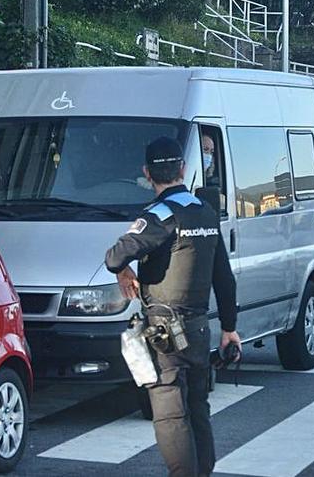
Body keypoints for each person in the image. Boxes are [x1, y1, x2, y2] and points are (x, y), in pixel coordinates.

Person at [105, 136, 240, 477]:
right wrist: (229, 328)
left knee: (169, 413)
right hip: (198, 328)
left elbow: (114, 256)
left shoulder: (159, 216)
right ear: (182, 168)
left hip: (165, 331)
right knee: (198, 408)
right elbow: (224, 277)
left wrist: (123, 269)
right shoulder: (205, 212)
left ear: (147, 174)